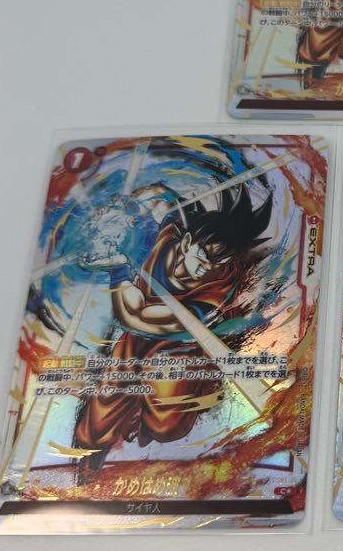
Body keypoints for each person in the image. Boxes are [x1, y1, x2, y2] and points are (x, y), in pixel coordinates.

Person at [73, 185, 272, 474]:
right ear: (187, 241)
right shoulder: (169, 232)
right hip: (133, 342)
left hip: (178, 347)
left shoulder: (215, 288)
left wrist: (119, 270)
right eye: (202, 257)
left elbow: (135, 316)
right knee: (100, 415)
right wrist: (125, 204)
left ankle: (200, 390)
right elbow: (160, 199)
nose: (206, 268)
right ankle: (87, 472)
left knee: (166, 426)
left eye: (217, 263)